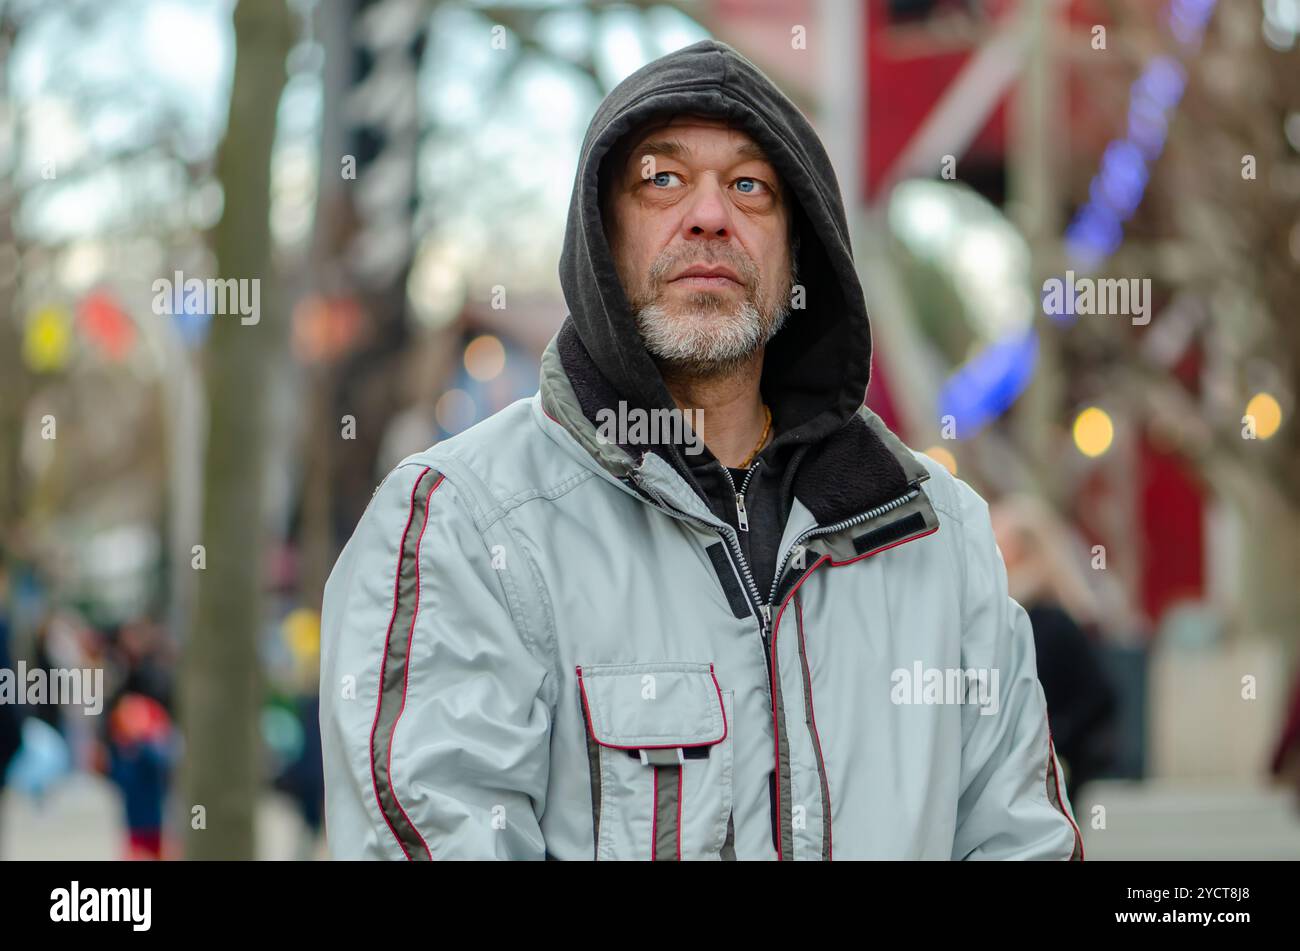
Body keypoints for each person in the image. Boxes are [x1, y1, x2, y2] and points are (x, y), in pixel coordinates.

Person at [320, 40, 1083, 860]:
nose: (710, 214)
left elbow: (1021, 843)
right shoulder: (462, 526)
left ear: (801, 250)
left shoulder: (943, 536)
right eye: (662, 179)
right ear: (601, 235)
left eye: (750, 186)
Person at [991, 495, 1118, 796]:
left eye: (1000, 544)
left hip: (1044, 773)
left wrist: (1051, 739)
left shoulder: (1048, 618)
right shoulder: (1002, 615)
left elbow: (1097, 696)